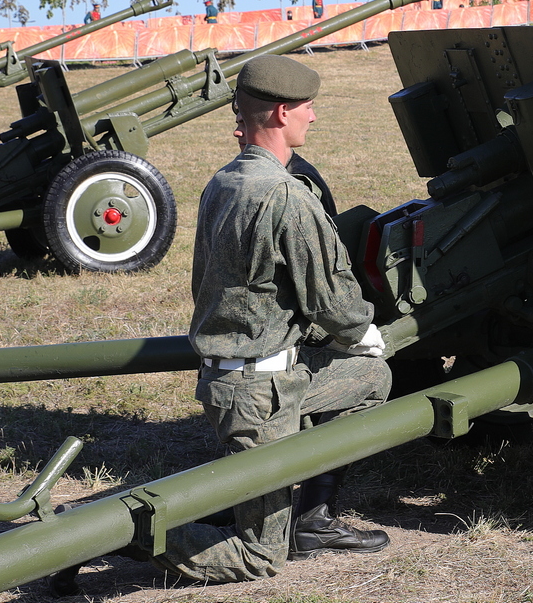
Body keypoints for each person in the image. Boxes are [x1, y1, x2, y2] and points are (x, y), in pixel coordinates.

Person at [153, 55, 390, 584]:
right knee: (261, 557)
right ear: (282, 114)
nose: (314, 117)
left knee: (372, 379)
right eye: (308, 108)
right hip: (261, 395)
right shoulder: (286, 195)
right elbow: (332, 303)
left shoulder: (224, 182)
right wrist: (365, 331)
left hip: (237, 378)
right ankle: (132, 536)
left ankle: (311, 516)